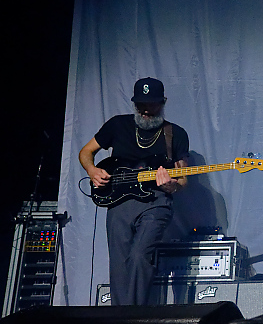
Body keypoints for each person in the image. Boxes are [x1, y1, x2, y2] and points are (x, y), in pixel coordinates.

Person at [79, 77, 190, 305]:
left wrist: (172, 185)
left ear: (163, 102)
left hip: (156, 202)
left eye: (151, 104)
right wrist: (92, 171)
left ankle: (133, 315)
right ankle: (121, 318)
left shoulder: (175, 134)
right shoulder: (118, 125)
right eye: (140, 105)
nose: (146, 110)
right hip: (119, 201)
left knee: (140, 256)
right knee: (119, 263)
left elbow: (183, 179)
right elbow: (86, 152)